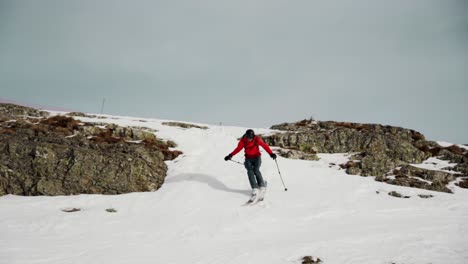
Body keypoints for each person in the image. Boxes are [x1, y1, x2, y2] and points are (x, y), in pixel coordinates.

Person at [224, 129, 277, 199]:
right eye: (248, 137)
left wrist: (271, 153)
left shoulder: (257, 139)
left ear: (253, 136)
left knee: (256, 170)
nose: (249, 139)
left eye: (250, 138)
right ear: (246, 136)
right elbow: (238, 149)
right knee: (250, 171)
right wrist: (230, 155)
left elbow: (265, 146)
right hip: (248, 158)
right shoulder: (243, 141)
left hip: (257, 157)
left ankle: (262, 185)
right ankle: (254, 188)